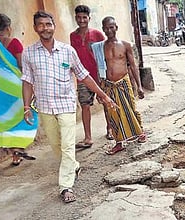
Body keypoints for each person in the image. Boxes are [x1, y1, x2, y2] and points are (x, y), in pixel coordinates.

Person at [21, 10, 117, 203]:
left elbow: (84, 75)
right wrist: (26, 107)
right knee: (56, 146)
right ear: (35, 28)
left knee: (67, 146)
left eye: (48, 24)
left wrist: (103, 95)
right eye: (41, 25)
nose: (45, 28)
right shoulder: (29, 53)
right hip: (45, 107)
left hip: (66, 105)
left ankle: (66, 186)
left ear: (54, 27)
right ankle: (73, 166)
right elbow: (27, 81)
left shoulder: (67, 51)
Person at [0, 13, 38, 166]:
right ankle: (19, 147)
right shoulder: (15, 43)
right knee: (25, 115)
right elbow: (21, 65)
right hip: (15, 87)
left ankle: (14, 154)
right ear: (9, 27)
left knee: (4, 120)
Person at [92, 16, 146, 155]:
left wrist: (139, 86)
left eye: (111, 27)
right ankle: (119, 142)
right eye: (106, 28)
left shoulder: (125, 45)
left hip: (123, 82)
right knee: (112, 114)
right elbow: (98, 68)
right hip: (108, 84)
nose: (109, 30)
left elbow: (133, 66)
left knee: (131, 108)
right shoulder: (100, 47)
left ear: (116, 27)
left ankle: (140, 132)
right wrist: (99, 89)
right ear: (103, 29)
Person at [70, 5, 112, 149]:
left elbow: (105, 53)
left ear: (89, 18)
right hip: (82, 77)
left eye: (84, 17)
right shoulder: (73, 36)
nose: (82, 20)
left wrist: (105, 74)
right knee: (85, 106)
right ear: (75, 18)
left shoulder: (97, 34)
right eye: (79, 17)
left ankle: (110, 129)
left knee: (105, 102)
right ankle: (88, 138)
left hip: (99, 75)